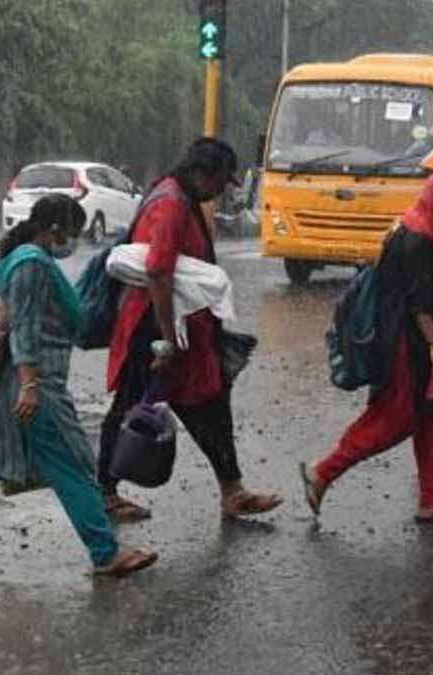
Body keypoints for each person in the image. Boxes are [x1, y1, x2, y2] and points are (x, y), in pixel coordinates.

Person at [0, 195, 157, 577]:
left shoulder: (25, 259)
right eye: (72, 231)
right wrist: (29, 385)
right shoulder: (31, 263)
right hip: (30, 387)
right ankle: (105, 552)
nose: (73, 240)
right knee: (71, 463)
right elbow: (23, 326)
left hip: (11, 387)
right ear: (55, 228)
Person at [98, 138, 282, 522]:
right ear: (203, 174)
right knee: (130, 406)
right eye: (221, 181)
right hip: (155, 328)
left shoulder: (181, 196)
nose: (222, 190)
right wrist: (167, 341)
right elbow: (158, 271)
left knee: (211, 405)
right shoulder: (171, 205)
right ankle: (104, 494)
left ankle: (233, 490)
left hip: (185, 329)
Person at [300, 169, 433, 523]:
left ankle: (431, 501)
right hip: (407, 347)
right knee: (396, 418)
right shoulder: (422, 242)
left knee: (432, 415)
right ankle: (323, 471)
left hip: (399, 336)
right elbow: (421, 305)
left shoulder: (409, 223)